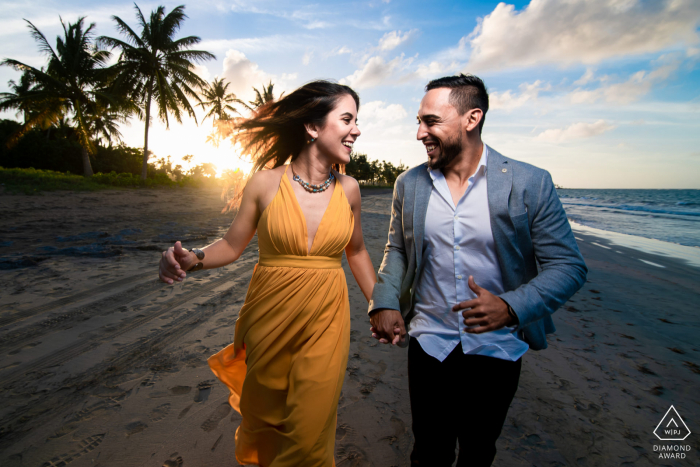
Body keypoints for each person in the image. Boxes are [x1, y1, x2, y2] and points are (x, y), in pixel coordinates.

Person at [368, 74, 587, 466]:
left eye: (431, 121)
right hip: (428, 343)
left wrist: (511, 306)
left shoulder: (529, 183)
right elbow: (397, 248)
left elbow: (568, 265)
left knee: (478, 451)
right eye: (418, 122)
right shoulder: (409, 184)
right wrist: (383, 302)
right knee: (428, 452)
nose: (420, 133)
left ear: (472, 118)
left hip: (497, 349)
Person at [158, 81, 376, 466]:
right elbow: (231, 245)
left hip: (327, 320)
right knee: (266, 423)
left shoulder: (351, 189)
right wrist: (191, 258)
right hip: (269, 320)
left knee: (310, 435)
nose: (356, 129)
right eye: (347, 119)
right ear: (312, 127)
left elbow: (356, 251)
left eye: (357, 120)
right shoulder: (264, 183)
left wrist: (381, 304)